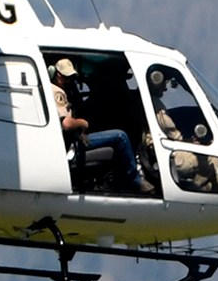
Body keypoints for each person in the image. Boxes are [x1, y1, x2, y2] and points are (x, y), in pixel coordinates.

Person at [52, 58, 150, 194]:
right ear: (55, 74)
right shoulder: (57, 93)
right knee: (120, 136)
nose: (68, 81)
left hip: (73, 141)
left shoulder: (64, 92)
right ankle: (135, 182)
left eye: (71, 78)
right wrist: (82, 123)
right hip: (71, 145)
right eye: (64, 77)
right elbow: (67, 124)